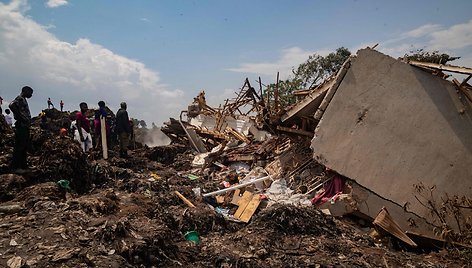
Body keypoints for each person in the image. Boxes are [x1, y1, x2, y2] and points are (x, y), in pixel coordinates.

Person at [9, 86, 33, 172]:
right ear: (25, 91)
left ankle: (23, 166)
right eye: (30, 92)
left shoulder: (23, 99)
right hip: (21, 125)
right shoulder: (20, 98)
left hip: (25, 126)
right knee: (19, 146)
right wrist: (20, 117)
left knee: (24, 146)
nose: (31, 95)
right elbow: (11, 105)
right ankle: (15, 167)